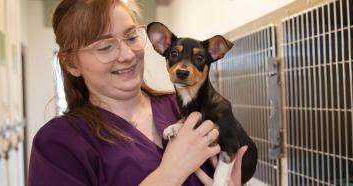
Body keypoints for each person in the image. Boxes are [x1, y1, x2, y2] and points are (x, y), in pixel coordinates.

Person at [27, 0, 247, 185]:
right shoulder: (59, 144)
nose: (127, 55)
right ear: (72, 63)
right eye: (105, 47)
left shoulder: (186, 107)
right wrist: (168, 174)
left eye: (131, 37)